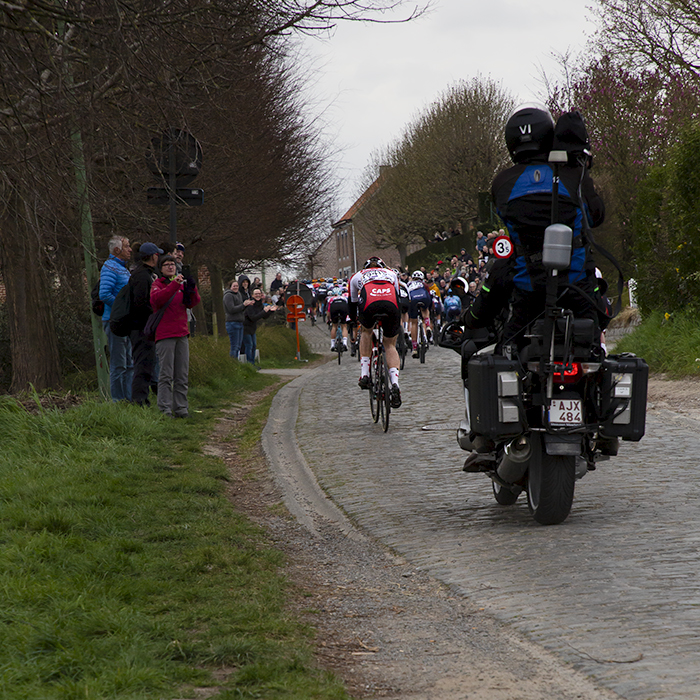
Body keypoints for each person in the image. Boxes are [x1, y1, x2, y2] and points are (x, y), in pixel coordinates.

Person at [464, 104, 607, 348]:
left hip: (529, 290)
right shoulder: (573, 173)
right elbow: (596, 217)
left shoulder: (502, 183)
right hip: (577, 286)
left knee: (507, 353)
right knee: (595, 347)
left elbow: (507, 218)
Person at [150, 255, 201, 418]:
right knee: (166, 374)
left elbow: (192, 302)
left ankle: (181, 407)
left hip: (182, 333)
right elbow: (157, 300)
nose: (171, 267)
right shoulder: (158, 284)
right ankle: (164, 408)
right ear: (161, 268)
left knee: (182, 373)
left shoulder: (181, 283)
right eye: (167, 265)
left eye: (173, 264)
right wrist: (174, 284)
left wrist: (192, 288)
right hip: (165, 334)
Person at [348, 257, 402, 408]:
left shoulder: (357, 276)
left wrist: (354, 322)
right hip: (391, 305)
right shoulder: (391, 273)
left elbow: (352, 304)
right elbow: (398, 296)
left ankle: (365, 374)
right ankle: (395, 384)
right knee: (390, 345)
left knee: (366, 331)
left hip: (369, 304)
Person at [99, 234, 133, 401]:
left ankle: (130, 399)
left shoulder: (122, 268)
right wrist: (122, 308)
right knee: (119, 364)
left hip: (125, 321)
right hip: (115, 321)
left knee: (129, 362)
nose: (130, 249)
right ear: (117, 249)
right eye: (127, 246)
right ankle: (118, 401)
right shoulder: (110, 267)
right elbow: (104, 294)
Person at [128, 242, 162, 405]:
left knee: (147, 364)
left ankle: (142, 398)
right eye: (157, 255)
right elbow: (141, 303)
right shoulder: (142, 276)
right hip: (141, 327)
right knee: (142, 364)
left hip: (145, 327)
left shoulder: (147, 273)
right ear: (153, 256)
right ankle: (139, 400)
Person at [243, 288, 278, 365]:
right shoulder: (251, 304)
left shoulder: (260, 304)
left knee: (254, 345)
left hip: (252, 328)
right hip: (246, 327)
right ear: (252, 295)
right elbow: (253, 317)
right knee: (249, 345)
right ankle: (250, 364)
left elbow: (263, 317)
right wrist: (264, 311)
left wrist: (270, 312)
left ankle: (252, 363)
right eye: (256, 294)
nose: (258, 295)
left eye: (259, 294)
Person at [223, 279, 254, 360]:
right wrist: (243, 305)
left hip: (240, 322)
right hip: (232, 323)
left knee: (239, 346)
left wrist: (247, 305)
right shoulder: (228, 295)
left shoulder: (238, 294)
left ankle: (236, 363)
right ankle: (233, 364)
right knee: (234, 346)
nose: (236, 287)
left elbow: (240, 308)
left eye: (237, 286)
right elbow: (231, 309)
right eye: (234, 286)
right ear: (230, 287)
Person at [406, 270, 431, 358]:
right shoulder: (424, 284)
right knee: (425, 310)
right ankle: (427, 325)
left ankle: (414, 348)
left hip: (412, 300)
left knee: (414, 323)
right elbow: (429, 295)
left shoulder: (409, 284)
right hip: (424, 298)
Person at [326, 286, 349, 351]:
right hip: (343, 306)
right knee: (344, 326)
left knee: (334, 326)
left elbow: (328, 312)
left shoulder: (330, 298)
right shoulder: (344, 298)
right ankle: (345, 343)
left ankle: (332, 345)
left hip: (334, 307)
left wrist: (328, 319)